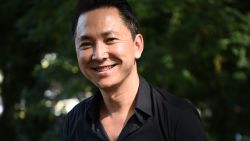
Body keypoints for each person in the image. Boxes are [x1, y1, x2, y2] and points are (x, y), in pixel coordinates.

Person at [63, 0, 208, 141]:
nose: (99, 55)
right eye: (86, 44)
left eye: (110, 39)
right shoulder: (74, 122)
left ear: (137, 46)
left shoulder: (178, 116)